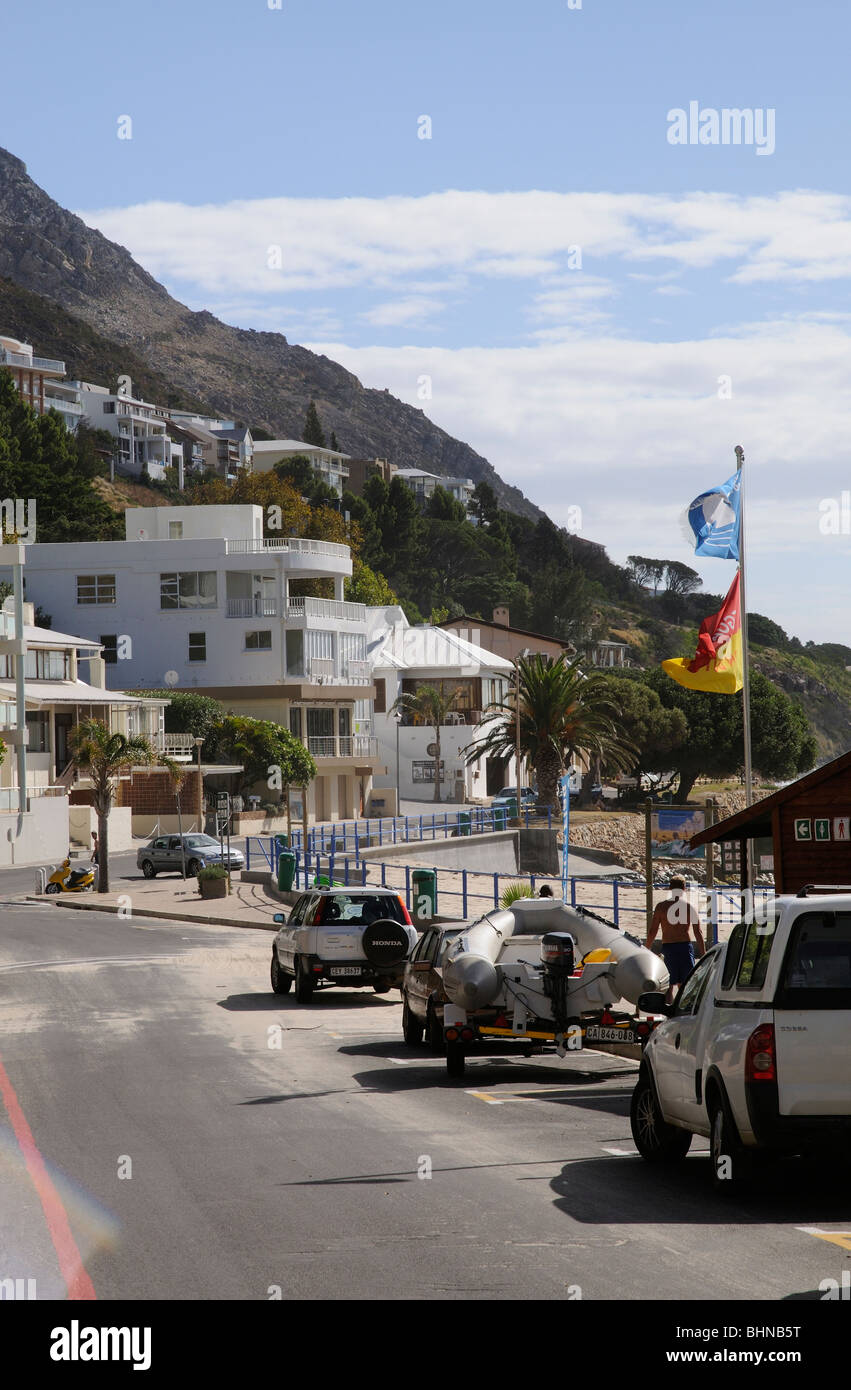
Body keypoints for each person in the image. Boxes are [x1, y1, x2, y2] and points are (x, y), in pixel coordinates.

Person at [646, 877, 705, 1004]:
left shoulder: (661, 907)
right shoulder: (689, 907)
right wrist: (704, 954)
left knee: (669, 986)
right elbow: (698, 932)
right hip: (685, 947)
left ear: (670, 888)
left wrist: (647, 949)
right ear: (684, 889)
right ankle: (685, 1013)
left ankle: (669, 1014)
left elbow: (653, 931)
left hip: (669, 947)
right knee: (686, 985)